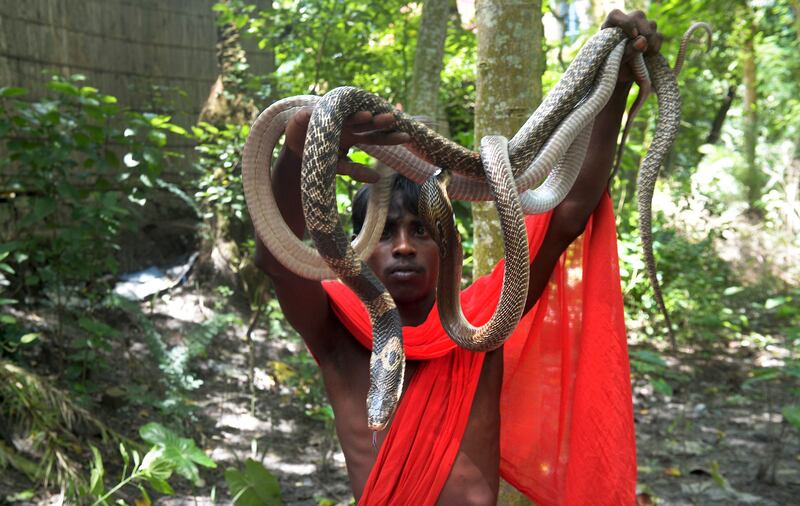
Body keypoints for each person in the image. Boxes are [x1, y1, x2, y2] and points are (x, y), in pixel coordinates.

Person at [255, 10, 662, 505]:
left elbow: (568, 213)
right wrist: (301, 149)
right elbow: (279, 256)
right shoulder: (339, 335)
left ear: (450, 246)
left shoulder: (484, 320)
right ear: (358, 245)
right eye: (384, 233)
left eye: (420, 231)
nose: (403, 246)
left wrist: (615, 81)